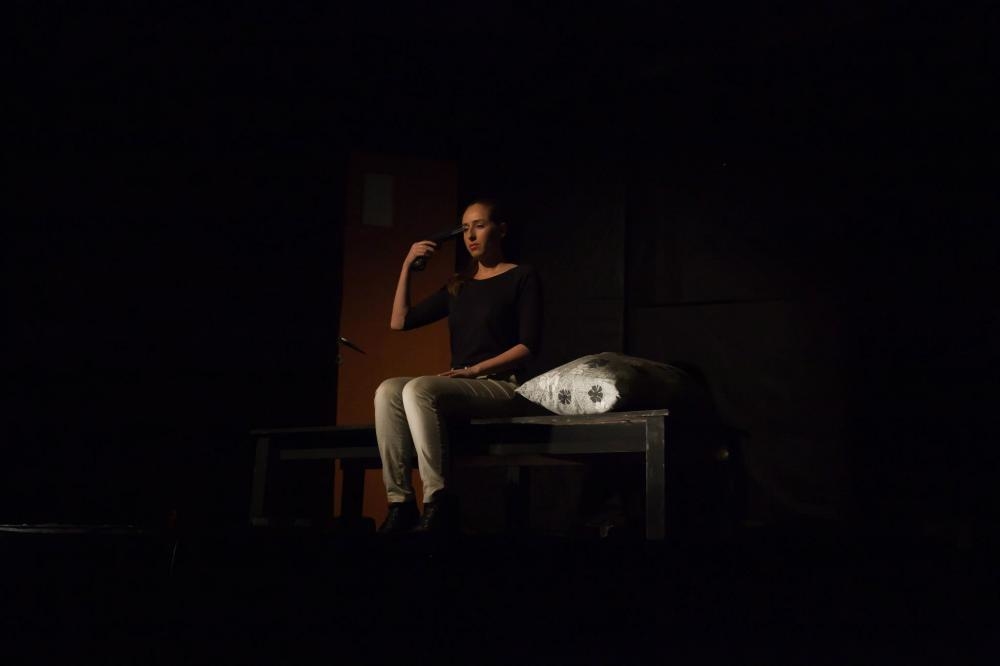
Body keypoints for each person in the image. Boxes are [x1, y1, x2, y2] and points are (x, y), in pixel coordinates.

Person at [374, 199, 542, 535]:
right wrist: (407, 264)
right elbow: (399, 321)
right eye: (465, 229)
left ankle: (437, 500)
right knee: (388, 390)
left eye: (479, 225)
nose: (471, 236)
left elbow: (528, 346)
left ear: (501, 230)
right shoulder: (459, 285)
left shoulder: (522, 276)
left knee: (419, 388)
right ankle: (400, 502)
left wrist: (475, 370)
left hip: (502, 385)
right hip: (465, 384)